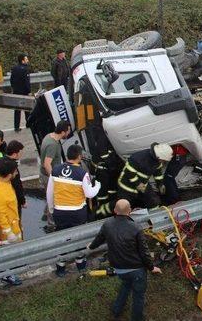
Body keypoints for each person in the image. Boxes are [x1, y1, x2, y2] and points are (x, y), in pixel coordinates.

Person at [87, 199, 162, 320]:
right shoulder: (136, 228)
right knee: (138, 295)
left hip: (119, 268)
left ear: (115, 211)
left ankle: (116, 310)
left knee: (126, 284)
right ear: (130, 211)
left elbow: (98, 240)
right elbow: (144, 253)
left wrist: (90, 246)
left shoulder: (107, 224)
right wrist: (152, 267)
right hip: (136, 270)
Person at [47, 144, 100, 276]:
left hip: (60, 212)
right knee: (79, 239)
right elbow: (89, 194)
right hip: (77, 212)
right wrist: (97, 186)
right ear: (79, 157)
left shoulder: (55, 170)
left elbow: (49, 192)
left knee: (62, 239)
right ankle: (80, 264)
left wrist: (52, 209)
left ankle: (60, 268)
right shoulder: (82, 173)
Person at [0, 157, 23, 286]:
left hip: (10, 223)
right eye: (15, 171)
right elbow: (0, 214)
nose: (16, 173)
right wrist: (9, 232)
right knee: (8, 255)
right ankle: (8, 275)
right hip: (7, 230)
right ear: (9, 175)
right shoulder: (1, 194)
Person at [117, 143, 173, 210]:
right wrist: (138, 184)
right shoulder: (137, 158)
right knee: (123, 206)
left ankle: (154, 216)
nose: (163, 162)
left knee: (153, 201)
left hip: (143, 185)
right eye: (163, 160)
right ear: (158, 156)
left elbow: (158, 174)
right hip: (126, 186)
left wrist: (160, 184)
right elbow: (129, 173)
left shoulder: (157, 161)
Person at [39, 120, 71, 229]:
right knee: (52, 200)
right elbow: (47, 163)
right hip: (48, 176)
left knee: (49, 197)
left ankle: (45, 213)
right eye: (68, 130)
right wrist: (54, 179)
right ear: (63, 132)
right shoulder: (52, 145)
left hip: (43, 175)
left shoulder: (49, 136)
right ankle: (51, 224)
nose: (69, 132)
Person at [0, 141, 26, 217]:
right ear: (15, 154)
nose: (22, 154)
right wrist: (22, 201)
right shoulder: (13, 167)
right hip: (12, 198)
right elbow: (17, 185)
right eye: (20, 153)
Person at [10, 54, 31, 132]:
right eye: (26, 59)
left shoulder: (14, 68)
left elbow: (11, 80)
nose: (27, 60)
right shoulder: (25, 69)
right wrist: (29, 91)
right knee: (27, 109)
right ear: (22, 60)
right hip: (24, 92)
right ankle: (28, 124)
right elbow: (26, 82)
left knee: (17, 110)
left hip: (16, 91)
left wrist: (14, 89)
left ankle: (16, 127)